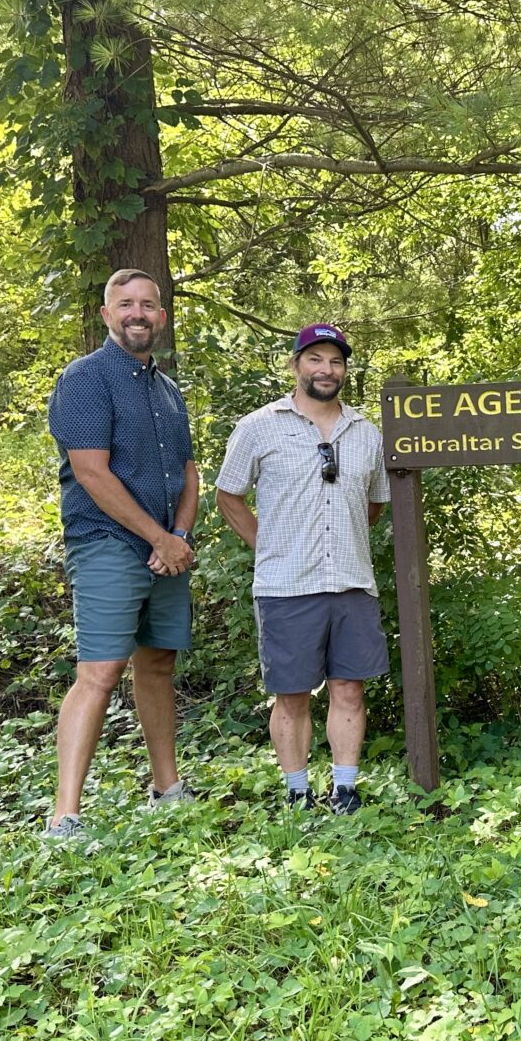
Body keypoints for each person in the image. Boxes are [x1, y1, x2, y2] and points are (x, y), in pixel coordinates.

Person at [42, 269, 199, 839]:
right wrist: (158, 539)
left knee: (157, 664)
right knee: (99, 672)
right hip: (108, 545)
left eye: (149, 305)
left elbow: (187, 471)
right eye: (125, 304)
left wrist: (177, 535)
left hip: (167, 549)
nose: (138, 313)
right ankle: (65, 815)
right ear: (107, 315)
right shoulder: (85, 379)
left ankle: (167, 787)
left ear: (161, 315)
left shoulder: (167, 389)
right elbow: (90, 473)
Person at [216, 324, 391, 814]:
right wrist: (268, 544)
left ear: (344, 371)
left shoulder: (366, 434)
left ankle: (345, 789)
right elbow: (228, 496)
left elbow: (374, 504)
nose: (325, 370)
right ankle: (297, 792)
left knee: (349, 689)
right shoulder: (258, 427)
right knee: (291, 695)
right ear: (296, 365)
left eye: (335, 362)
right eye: (315, 359)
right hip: (286, 585)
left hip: (353, 582)